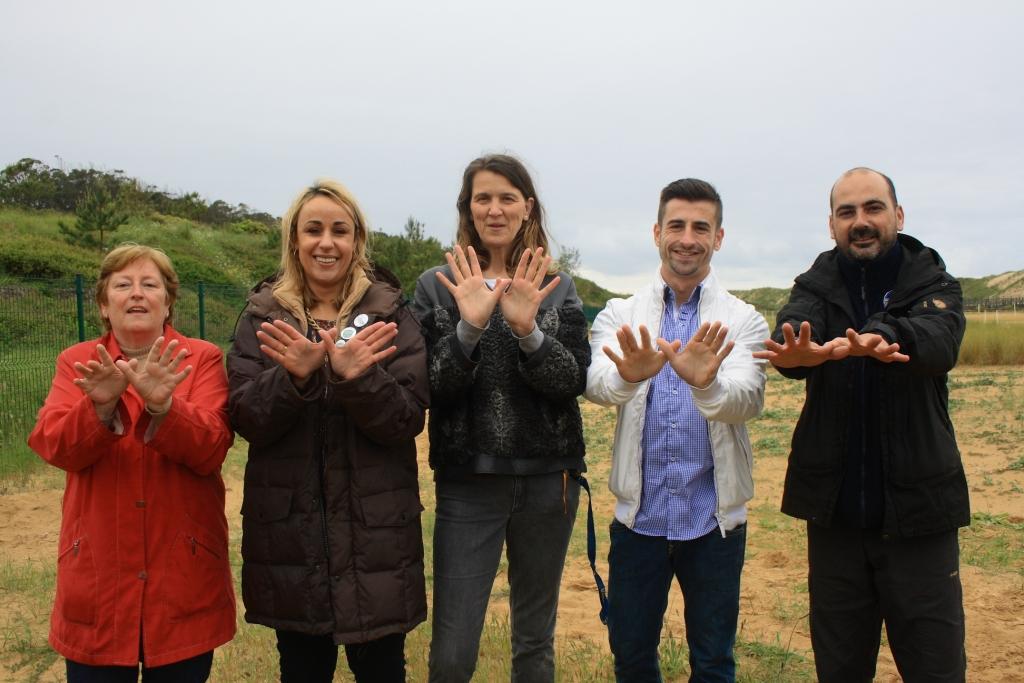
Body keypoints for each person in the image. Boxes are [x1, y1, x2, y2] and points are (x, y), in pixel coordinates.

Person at [754, 167, 968, 681]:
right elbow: (793, 332)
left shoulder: (932, 281)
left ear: (897, 214)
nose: (861, 222)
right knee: (840, 669)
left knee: (936, 668)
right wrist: (796, 349)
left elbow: (940, 343)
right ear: (832, 225)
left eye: (873, 208)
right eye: (846, 212)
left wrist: (886, 335)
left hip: (920, 517)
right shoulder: (817, 283)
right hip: (837, 520)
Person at [227, 179, 428, 683]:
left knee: (383, 669)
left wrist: (356, 379)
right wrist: (291, 377)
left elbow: (407, 419)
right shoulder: (262, 317)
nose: (326, 242)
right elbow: (246, 419)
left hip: (376, 541)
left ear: (357, 240)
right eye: (313, 229)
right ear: (294, 239)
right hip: (293, 542)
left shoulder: (391, 315)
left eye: (340, 230)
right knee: (300, 669)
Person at [412, 153, 591, 682]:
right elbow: (433, 386)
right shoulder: (435, 286)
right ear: (467, 206)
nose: (495, 209)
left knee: (534, 642)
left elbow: (570, 381)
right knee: (453, 648)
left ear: (526, 207)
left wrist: (527, 330)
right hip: (469, 482)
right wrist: (469, 327)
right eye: (482, 198)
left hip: (548, 482)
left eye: (507, 197)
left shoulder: (556, 287)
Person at [585, 178, 768, 682]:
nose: (688, 238)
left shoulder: (742, 320)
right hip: (638, 519)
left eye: (701, 227)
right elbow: (595, 384)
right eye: (677, 225)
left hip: (713, 522)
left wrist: (706, 385)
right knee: (633, 656)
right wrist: (627, 373)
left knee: (713, 661)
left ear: (719, 237)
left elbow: (748, 400)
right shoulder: (622, 314)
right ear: (656, 232)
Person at [28, 244, 235, 682]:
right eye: (123, 285)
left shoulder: (201, 359)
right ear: (104, 305)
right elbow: (54, 446)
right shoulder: (78, 362)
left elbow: (212, 448)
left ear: (168, 302)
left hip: (183, 571)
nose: (137, 294)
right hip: (97, 578)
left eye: (150, 284)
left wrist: (165, 407)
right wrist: (98, 408)